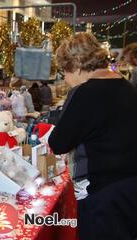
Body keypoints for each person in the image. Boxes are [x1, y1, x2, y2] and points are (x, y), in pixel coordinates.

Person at [48, 32, 137, 240]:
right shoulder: (126, 86)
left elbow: (58, 143)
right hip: (130, 190)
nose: (66, 78)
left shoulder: (86, 92)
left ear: (77, 65)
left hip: (106, 195)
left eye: (65, 71)